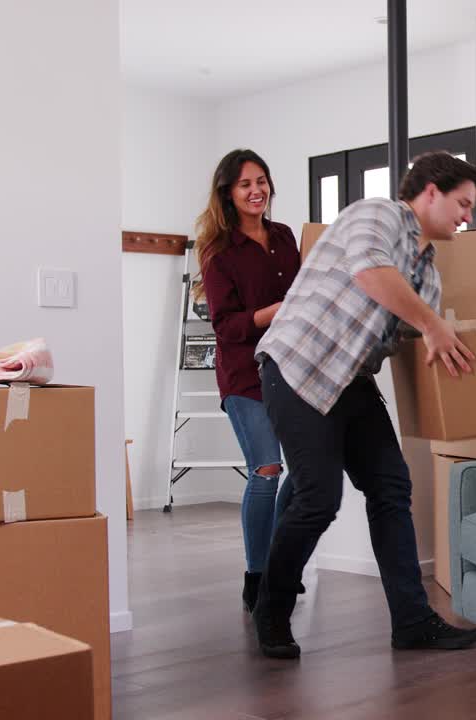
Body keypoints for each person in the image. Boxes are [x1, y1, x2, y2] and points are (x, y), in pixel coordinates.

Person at [251, 151, 476, 659]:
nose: (467, 215)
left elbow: (418, 338)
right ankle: (271, 609)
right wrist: (432, 325)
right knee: (319, 497)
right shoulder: (377, 214)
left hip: (352, 380)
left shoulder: (428, 275)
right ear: (431, 191)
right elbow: (369, 272)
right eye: (463, 202)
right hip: (298, 365)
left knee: (390, 486)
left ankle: (412, 622)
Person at [196, 149, 297, 614]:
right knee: (266, 470)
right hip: (244, 375)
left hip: (291, 368)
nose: (257, 191)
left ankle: (280, 564)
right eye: (245, 184)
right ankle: (256, 578)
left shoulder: (285, 236)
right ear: (229, 193)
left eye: (261, 181)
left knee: (307, 471)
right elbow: (226, 326)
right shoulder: (218, 252)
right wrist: (272, 312)